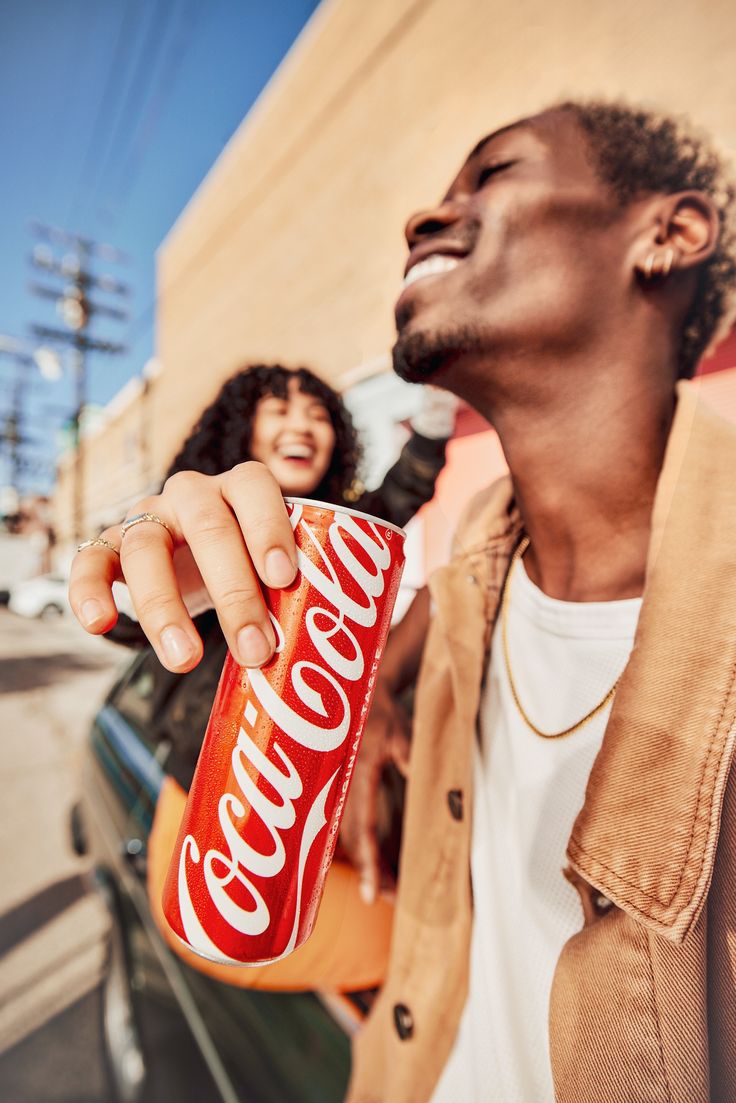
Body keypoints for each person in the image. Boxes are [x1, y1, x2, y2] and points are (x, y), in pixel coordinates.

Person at [68, 98, 736, 1102]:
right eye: (438, 190)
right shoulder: (467, 571)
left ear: (668, 233)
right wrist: (145, 572)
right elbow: (342, 646)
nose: (424, 216)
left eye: (493, 174)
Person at [98, 361, 456, 789]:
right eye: (280, 410)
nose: (303, 426)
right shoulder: (192, 524)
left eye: (319, 416)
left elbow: (407, 486)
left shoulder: (349, 535)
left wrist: (441, 397)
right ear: (240, 429)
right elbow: (125, 626)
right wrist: (132, 587)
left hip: (313, 809)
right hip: (202, 803)